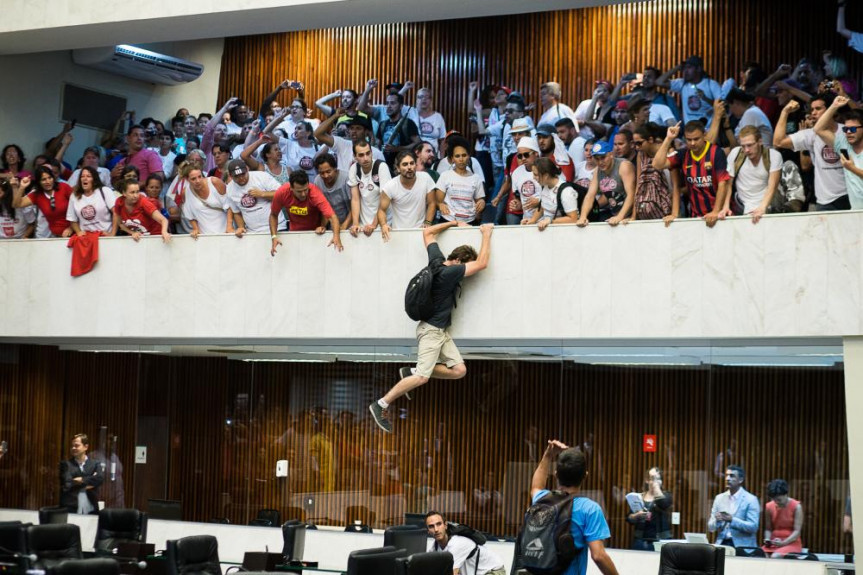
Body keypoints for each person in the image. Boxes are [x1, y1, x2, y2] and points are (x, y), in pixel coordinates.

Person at [369, 221, 493, 433]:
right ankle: (381, 404)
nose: (466, 272)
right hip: (431, 332)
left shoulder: (436, 261)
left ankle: (411, 370)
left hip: (440, 332)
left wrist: (454, 222)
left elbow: (428, 232)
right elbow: (482, 263)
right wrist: (486, 233)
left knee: (459, 370)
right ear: (459, 261)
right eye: (465, 266)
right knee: (421, 378)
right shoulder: (450, 272)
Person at [529, 440, 619, 575]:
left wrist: (548, 455)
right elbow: (598, 556)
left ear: (556, 474)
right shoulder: (589, 509)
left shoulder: (542, 499)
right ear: (585, 476)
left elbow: (536, 486)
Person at [775, 94, 849, 210]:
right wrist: (785, 112)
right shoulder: (810, 134)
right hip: (824, 201)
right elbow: (778, 142)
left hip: (849, 195)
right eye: (812, 109)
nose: (813, 113)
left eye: (818, 109)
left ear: (831, 109)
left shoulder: (847, 131)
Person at [654, 121, 730, 227]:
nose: (692, 143)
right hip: (695, 217)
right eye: (689, 140)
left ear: (704, 135)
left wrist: (716, 211)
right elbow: (657, 164)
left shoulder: (716, 152)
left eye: (696, 139)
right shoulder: (683, 154)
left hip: (720, 215)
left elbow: (723, 184)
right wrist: (668, 139)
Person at [269, 170, 343, 256]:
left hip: (316, 234)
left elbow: (332, 216)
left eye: (305, 190)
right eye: (299, 191)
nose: (303, 194)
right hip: (294, 233)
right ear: (291, 188)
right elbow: (273, 215)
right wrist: (274, 237)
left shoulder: (314, 193)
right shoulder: (282, 193)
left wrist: (336, 236)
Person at [813, 95, 863, 209]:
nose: (848, 132)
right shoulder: (844, 146)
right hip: (855, 212)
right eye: (845, 129)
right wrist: (834, 106)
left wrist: (852, 168)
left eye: (853, 129)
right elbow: (818, 129)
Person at [725, 126, 782, 222]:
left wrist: (762, 207)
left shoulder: (773, 155)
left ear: (760, 141)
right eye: (743, 146)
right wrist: (725, 206)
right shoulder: (736, 154)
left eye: (750, 145)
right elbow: (728, 184)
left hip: (767, 204)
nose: (746, 150)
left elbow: (772, 186)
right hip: (742, 205)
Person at [378, 151, 438, 240]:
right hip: (398, 233)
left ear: (416, 165)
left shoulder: (426, 178)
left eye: (412, 163)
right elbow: (381, 210)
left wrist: (428, 223)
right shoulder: (390, 186)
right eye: (405, 164)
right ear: (398, 168)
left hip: (420, 232)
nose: (409, 167)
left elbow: (432, 203)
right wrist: (383, 225)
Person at [425, 510, 506, 575]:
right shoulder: (434, 547)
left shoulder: (457, 543)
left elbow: (453, 573)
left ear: (445, 525)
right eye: (431, 526)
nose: (436, 529)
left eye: (439, 524)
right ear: (428, 531)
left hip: (493, 571)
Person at [577, 140, 635, 226]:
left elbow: (631, 194)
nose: (600, 162)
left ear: (611, 154)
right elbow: (590, 196)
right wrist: (583, 217)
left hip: (630, 216)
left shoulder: (623, 166)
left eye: (603, 157)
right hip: (614, 214)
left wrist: (620, 217)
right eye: (596, 159)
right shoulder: (598, 170)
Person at [631, 124, 677, 224]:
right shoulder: (641, 154)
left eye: (639, 143)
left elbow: (676, 187)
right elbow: (639, 185)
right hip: (648, 208)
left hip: (670, 207)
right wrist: (634, 216)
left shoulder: (670, 152)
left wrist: (674, 214)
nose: (637, 147)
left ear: (650, 140)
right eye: (634, 144)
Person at [224, 159, 285, 235]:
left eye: (243, 174)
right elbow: (236, 212)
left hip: (277, 227)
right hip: (252, 232)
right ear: (230, 175)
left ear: (247, 169)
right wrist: (241, 227)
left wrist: (262, 194)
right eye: (236, 176)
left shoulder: (261, 176)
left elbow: (282, 194)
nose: (241, 178)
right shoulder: (230, 188)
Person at [435, 136, 486, 224]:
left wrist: (482, 202)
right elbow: (437, 201)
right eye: (457, 156)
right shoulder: (445, 176)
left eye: (464, 155)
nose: (461, 159)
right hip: (448, 222)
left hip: (470, 222)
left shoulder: (476, 178)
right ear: (452, 159)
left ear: (469, 157)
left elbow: (480, 201)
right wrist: (440, 205)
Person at [660, 55, 723, 125]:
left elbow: (722, 106)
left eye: (689, 67)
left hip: (709, 130)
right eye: (684, 68)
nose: (685, 71)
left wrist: (705, 98)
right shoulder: (682, 83)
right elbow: (659, 82)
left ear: (699, 69)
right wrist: (677, 67)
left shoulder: (711, 84)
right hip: (689, 131)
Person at [707, 465, 760, 547]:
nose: (727, 479)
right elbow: (711, 528)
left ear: (741, 480)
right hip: (722, 543)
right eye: (726, 475)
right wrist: (717, 521)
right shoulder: (719, 498)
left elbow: (753, 527)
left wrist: (732, 520)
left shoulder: (751, 499)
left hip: (742, 546)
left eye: (732, 476)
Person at [12, 167, 74, 238]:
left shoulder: (64, 187)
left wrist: (71, 228)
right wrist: (22, 187)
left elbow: (78, 207)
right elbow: (16, 204)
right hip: (56, 237)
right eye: (43, 179)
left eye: (50, 178)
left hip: (73, 234)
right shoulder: (36, 194)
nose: (48, 181)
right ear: (38, 182)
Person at [348, 140, 392, 237]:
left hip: (384, 223)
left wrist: (374, 225)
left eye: (368, 153)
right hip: (364, 223)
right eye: (361, 155)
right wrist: (355, 223)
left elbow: (384, 199)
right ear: (355, 157)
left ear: (372, 152)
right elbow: (355, 199)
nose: (366, 158)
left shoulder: (381, 166)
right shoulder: (353, 169)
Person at [524, 157, 579, 230]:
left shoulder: (566, 191)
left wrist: (550, 221)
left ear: (546, 175)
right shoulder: (545, 185)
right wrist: (532, 221)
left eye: (536, 174)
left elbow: (573, 219)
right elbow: (542, 208)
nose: (533, 178)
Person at [626, 467, 673, 551]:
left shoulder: (667, 495)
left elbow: (663, 503)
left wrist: (656, 486)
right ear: (647, 480)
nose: (655, 481)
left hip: (660, 541)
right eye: (652, 478)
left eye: (658, 478)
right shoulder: (640, 497)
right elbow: (629, 518)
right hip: (640, 541)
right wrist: (635, 516)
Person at [112, 179, 172, 243]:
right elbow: (120, 224)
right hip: (137, 238)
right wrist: (132, 232)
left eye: (137, 192)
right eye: (132, 192)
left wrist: (164, 232)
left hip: (155, 237)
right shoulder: (119, 202)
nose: (135, 195)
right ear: (124, 193)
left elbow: (163, 220)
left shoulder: (144, 202)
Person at [66, 166, 117, 236]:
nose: (85, 178)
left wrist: (112, 234)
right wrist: (78, 232)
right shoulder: (74, 196)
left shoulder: (105, 191)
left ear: (94, 180)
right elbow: (72, 219)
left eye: (88, 176)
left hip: (105, 236)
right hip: (86, 238)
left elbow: (116, 212)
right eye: (82, 176)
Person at [59, 434, 103, 515]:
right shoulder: (66, 464)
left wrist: (82, 479)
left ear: (86, 447)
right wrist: (91, 481)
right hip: (71, 507)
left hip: (91, 507)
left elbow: (99, 479)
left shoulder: (95, 464)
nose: (73, 448)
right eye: (72, 446)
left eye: (76, 445)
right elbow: (68, 483)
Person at [182, 166, 228, 238]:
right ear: (187, 179)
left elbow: (230, 206)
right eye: (193, 179)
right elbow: (189, 214)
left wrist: (230, 227)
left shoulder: (214, 182)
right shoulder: (186, 192)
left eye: (200, 177)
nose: (198, 181)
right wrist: (195, 229)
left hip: (225, 232)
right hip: (204, 236)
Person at [761, 479, 803, 557]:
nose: (776, 502)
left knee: (775, 556)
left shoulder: (796, 507)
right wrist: (767, 539)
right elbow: (768, 529)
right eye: (774, 499)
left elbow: (797, 532)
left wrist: (784, 543)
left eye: (779, 499)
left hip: (791, 542)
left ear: (786, 494)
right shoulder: (769, 506)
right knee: (761, 555)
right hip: (774, 542)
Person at [313, 154, 352, 230]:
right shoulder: (317, 181)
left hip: (350, 225)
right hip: (331, 226)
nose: (326, 175)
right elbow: (323, 209)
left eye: (328, 171)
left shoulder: (346, 178)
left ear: (335, 169)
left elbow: (354, 207)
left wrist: (344, 226)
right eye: (322, 173)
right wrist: (323, 226)